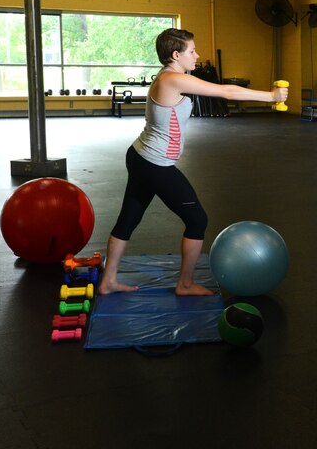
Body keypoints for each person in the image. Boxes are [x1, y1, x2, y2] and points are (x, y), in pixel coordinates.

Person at [98, 28, 288, 296]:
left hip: (141, 157)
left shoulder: (171, 77)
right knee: (197, 219)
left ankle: (108, 281)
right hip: (154, 163)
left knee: (129, 219)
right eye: (192, 51)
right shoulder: (173, 80)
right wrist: (270, 97)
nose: (197, 55)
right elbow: (226, 92)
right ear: (176, 54)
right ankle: (185, 284)